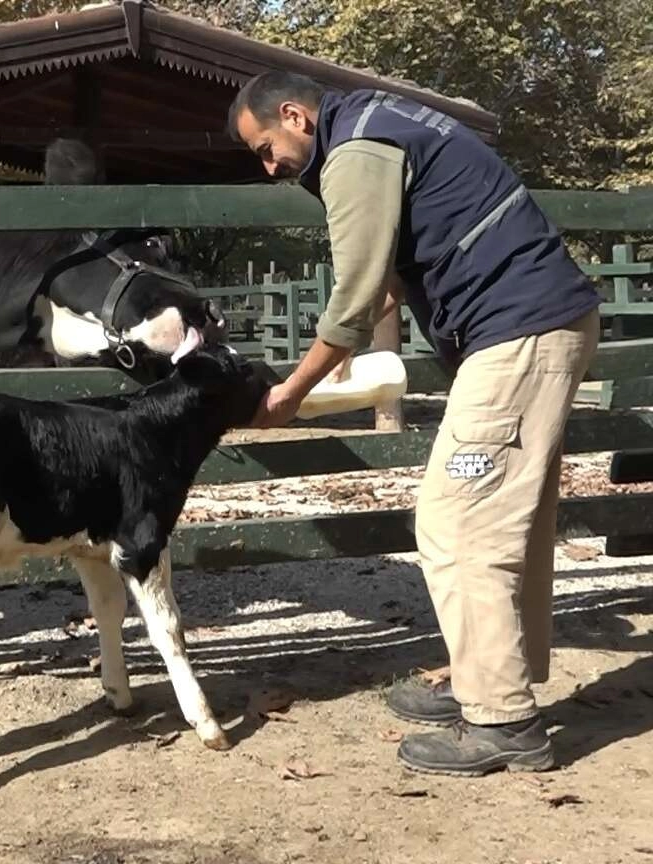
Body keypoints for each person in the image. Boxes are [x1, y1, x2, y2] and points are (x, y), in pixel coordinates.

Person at [227, 71, 602, 776]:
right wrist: (345, 359)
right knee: (509, 518)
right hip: (543, 320)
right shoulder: (383, 121)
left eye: (266, 148)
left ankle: (504, 722)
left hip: (517, 331)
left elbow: (358, 288)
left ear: (292, 115)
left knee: (456, 521)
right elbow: (394, 273)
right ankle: (487, 679)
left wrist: (290, 395)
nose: (269, 166)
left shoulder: (356, 149)